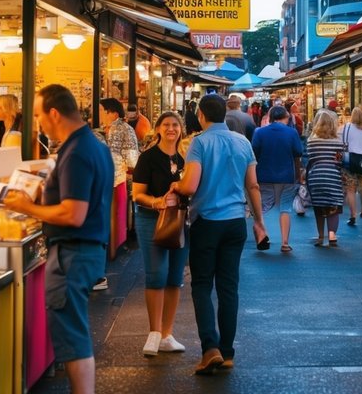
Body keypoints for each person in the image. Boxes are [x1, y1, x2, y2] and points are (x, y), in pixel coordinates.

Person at [4, 85, 112, 394]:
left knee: (73, 333)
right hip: (83, 251)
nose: (37, 122)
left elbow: (73, 213)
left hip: (72, 253)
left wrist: (28, 206)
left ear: (54, 113)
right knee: (74, 328)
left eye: (38, 114)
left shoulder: (77, 151)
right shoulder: (92, 145)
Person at [171, 94, 264, 374]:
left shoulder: (199, 142)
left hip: (207, 220)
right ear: (225, 113)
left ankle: (210, 348)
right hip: (236, 221)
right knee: (228, 287)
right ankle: (228, 351)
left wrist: (176, 186)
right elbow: (253, 186)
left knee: (201, 285)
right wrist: (259, 221)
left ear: (201, 115)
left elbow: (190, 185)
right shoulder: (243, 142)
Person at [130, 111, 189, 356]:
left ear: (181, 129)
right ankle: (154, 334)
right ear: (157, 129)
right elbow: (137, 194)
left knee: (175, 276)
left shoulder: (187, 157)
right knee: (156, 274)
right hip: (151, 219)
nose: (171, 129)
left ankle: (167, 334)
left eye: (175, 125)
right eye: (166, 125)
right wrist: (157, 202)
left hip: (180, 220)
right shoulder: (148, 158)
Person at [251, 105, 303, 253]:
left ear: (270, 117)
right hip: (287, 175)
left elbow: (254, 154)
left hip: (264, 175)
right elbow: (297, 154)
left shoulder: (260, 132)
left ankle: (262, 234)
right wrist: (298, 176)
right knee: (285, 208)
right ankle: (285, 243)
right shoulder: (292, 132)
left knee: (262, 207)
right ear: (286, 118)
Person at [303, 110, 346, 247]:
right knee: (333, 206)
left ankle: (321, 236)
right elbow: (339, 161)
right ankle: (332, 235)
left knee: (319, 207)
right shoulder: (339, 143)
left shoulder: (311, 142)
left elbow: (311, 159)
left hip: (316, 176)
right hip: (333, 176)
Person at [99, 98, 138, 164]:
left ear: (115, 114)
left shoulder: (124, 129)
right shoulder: (103, 129)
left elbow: (131, 161)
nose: (98, 114)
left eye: (100, 110)